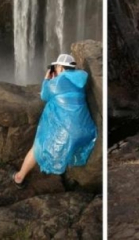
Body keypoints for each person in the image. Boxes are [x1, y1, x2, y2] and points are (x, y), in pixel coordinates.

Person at [11, 53, 97, 187]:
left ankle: (19, 177)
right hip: (87, 132)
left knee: (38, 146)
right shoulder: (80, 80)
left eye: (56, 67)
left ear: (60, 67)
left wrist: (47, 79)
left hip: (67, 134)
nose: (55, 70)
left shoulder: (55, 83)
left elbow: (44, 96)